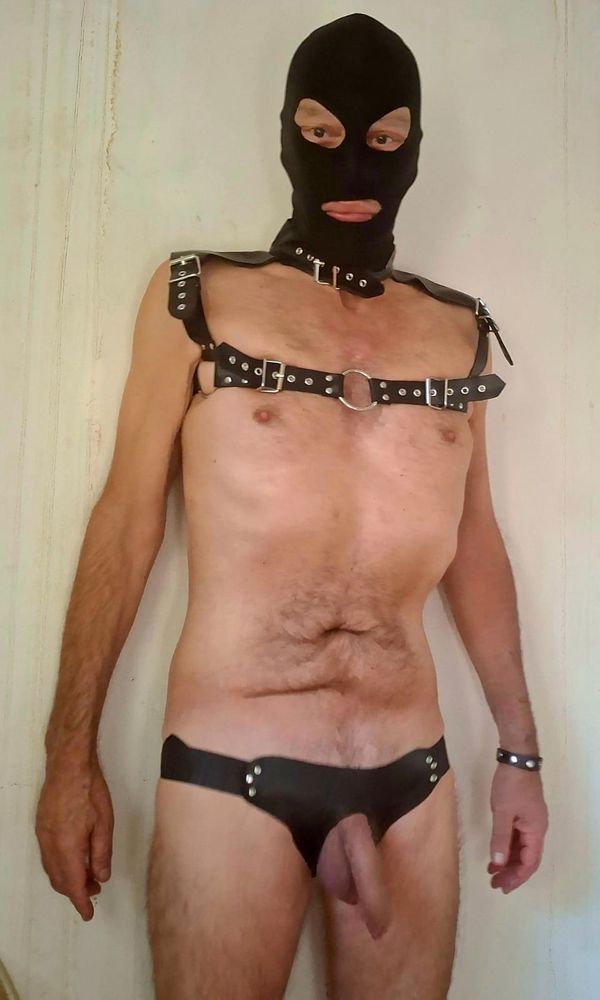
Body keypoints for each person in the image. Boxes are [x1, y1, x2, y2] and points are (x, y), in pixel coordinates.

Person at [35, 13, 548, 1000]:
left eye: (385, 139)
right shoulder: (199, 297)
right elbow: (126, 521)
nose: (353, 160)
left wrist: (520, 751)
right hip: (232, 765)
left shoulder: (458, 332)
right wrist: (68, 757)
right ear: (285, 135)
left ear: (415, 147)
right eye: (320, 133)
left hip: (413, 771)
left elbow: (475, 546)